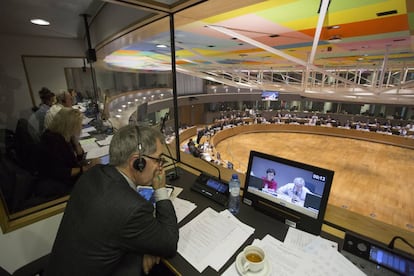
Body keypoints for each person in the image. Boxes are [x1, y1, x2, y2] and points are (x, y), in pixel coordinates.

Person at [46, 124, 179, 276]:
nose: (161, 167)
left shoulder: (93, 174)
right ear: (137, 163)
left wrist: (148, 246)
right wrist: (160, 190)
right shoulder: (132, 208)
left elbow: (112, 229)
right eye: (158, 160)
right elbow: (168, 244)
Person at [37, 108, 98, 197]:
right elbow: (61, 172)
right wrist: (86, 168)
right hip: (61, 185)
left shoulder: (64, 135)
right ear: (70, 125)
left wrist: (76, 142)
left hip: (66, 177)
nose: (81, 127)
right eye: (79, 125)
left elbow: (78, 157)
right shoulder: (52, 141)